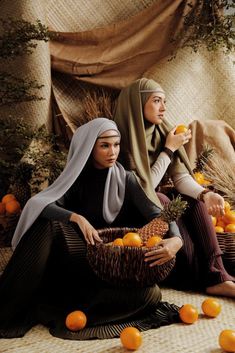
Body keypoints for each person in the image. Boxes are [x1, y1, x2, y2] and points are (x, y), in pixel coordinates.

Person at [0, 117, 182, 340]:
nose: (112, 152)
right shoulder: (75, 178)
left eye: (116, 144)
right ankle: (6, 310)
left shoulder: (127, 180)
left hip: (112, 266)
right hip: (80, 258)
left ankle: (60, 306)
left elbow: (160, 212)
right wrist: (77, 218)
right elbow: (38, 204)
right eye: (104, 145)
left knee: (151, 295)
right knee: (46, 224)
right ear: (89, 146)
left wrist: (176, 240)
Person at [113, 78, 235, 298]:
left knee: (191, 201)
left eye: (164, 101)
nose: (164, 108)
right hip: (132, 213)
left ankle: (218, 275)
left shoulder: (163, 131)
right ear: (137, 103)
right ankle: (190, 276)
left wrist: (206, 194)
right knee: (162, 199)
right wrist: (168, 150)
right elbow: (143, 188)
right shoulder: (120, 139)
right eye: (157, 101)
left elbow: (180, 178)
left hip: (157, 207)